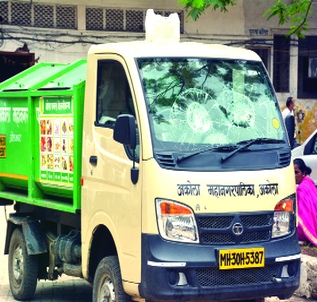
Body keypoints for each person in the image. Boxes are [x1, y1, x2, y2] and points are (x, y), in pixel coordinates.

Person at [293, 158, 317, 246]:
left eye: (296, 172)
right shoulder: (308, 182)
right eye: (291, 173)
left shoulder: (301, 188)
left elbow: (304, 216)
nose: (294, 176)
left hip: (311, 225)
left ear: (303, 173)